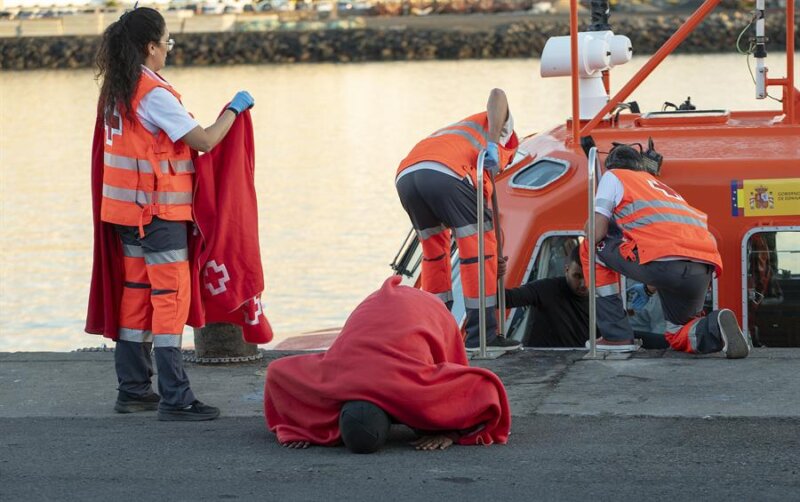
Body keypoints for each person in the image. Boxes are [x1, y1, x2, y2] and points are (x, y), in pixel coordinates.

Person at [93, 7, 255, 420]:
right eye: (167, 43)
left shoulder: (118, 88)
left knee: (135, 301)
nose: (168, 50)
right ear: (150, 47)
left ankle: (132, 390)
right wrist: (233, 111)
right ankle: (176, 397)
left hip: (124, 215)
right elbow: (203, 141)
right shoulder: (154, 94)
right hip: (159, 214)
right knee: (170, 301)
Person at [265, 276, 511, 452]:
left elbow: (486, 389)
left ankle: (432, 417)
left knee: (433, 408)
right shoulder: (334, 380)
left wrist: (449, 430)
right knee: (435, 406)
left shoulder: (415, 390)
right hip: (386, 311)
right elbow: (278, 373)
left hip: (427, 309)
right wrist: (300, 428)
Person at [582, 144, 750, 358]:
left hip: (664, 264)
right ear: (640, 167)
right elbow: (671, 248)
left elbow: (597, 232)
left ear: (611, 166)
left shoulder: (613, 176)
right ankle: (715, 326)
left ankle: (616, 336)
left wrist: (588, 226)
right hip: (701, 269)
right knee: (677, 331)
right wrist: (649, 287)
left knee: (590, 248)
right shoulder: (662, 189)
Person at [395, 89, 521, 352]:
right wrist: (492, 141)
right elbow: (498, 95)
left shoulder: (454, 135)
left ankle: (433, 335)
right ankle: (481, 338)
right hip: (446, 174)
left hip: (407, 176)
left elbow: (484, 213)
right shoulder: (500, 135)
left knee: (434, 256)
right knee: (477, 253)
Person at [503, 246, 591, 347]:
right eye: (577, 276)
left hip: (583, 361)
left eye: (589, 275)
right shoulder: (545, 289)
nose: (583, 284)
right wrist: (494, 274)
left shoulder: (604, 299)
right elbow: (506, 299)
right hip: (542, 360)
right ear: (566, 270)